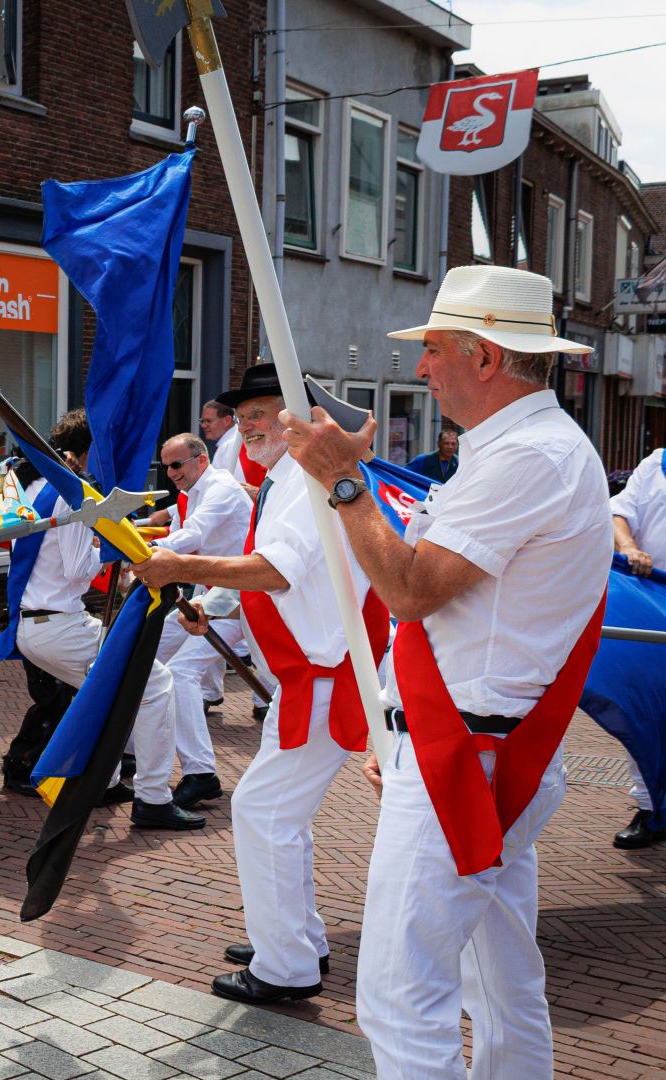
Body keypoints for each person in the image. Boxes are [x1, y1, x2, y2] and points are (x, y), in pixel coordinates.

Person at [281, 267, 612, 1077]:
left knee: (401, 999)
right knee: (499, 981)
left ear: (485, 357)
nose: (421, 368)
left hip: (466, 758)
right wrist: (401, 728)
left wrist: (344, 483)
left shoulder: (526, 457)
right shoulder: (533, 449)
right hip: (477, 747)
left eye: (433, 349)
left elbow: (411, 589)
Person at [132, 363, 387, 1005]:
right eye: (242, 417)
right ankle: (293, 938)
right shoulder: (285, 478)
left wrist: (180, 567)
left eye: (262, 414)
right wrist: (212, 604)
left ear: (296, 416)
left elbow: (277, 571)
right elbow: (284, 576)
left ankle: (286, 965)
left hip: (325, 678)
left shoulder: (301, 480)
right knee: (279, 814)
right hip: (308, 678)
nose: (248, 426)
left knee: (261, 811)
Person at [0, 411, 205, 832]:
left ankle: (102, 782)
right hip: (58, 624)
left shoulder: (31, 485)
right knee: (157, 684)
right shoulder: (71, 493)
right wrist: (105, 549)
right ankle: (153, 797)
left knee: (107, 694)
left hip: (36, 623)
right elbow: (77, 571)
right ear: (89, 450)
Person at [148, 432, 253, 809]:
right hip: (214, 595)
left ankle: (200, 773)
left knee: (182, 673)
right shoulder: (192, 492)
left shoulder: (220, 488)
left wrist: (145, 550)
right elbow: (178, 533)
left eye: (177, 465)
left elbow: (193, 535)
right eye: (166, 467)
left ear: (201, 460)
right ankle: (130, 751)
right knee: (147, 655)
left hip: (245, 596)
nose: (171, 473)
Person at [610, 445, 666, 848]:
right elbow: (620, 513)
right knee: (643, 707)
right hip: (648, 605)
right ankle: (650, 808)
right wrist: (628, 547)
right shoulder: (657, 463)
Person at [203, 399, 242, 480]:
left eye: (208, 421)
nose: (203, 426)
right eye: (202, 421)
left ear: (227, 420)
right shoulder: (234, 442)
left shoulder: (228, 446)